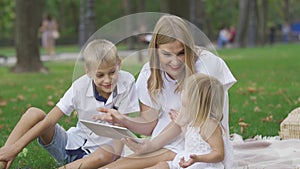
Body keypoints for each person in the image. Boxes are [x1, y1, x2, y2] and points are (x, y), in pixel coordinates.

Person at [96, 14, 236, 169]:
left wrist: (151, 146)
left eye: (181, 53)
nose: (175, 62)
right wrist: (123, 120)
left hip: (198, 146)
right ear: (155, 50)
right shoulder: (148, 73)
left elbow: (186, 117)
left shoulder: (207, 65)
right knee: (118, 165)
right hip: (165, 141)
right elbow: (150, 124)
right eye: (167, 54)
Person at [0, 39, 140, 169]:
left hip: (102, 155)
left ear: (119, 64)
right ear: (88, 71)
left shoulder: (127, 82)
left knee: (107, 153)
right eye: (100, 75)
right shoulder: (79, 86)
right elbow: (50, 121)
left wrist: (115, 161)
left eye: (112, 72)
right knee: (34, 113)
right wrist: (16, 148)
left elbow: (119, 132)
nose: (107, 80)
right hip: (70, 145)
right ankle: (4, 157)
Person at [123, 73, 233, 169]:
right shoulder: (194, 121)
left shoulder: (210, 125)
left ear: (197, 104)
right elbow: (192, 140)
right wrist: (182, 125)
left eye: (185, 105)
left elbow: (219, 154)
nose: (182, 109)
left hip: (204, 165)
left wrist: (198, 158)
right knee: (161, 166)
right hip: (187, 162)